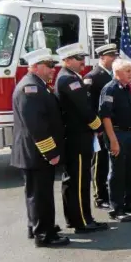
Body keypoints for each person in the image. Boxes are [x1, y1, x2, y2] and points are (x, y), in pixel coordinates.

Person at [11, 48, 69, 247]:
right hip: (37, 154)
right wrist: (50, 152)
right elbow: (37, 126)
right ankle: (44, 235)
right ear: (36, 67)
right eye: (50, 66)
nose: (54, 69)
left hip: (35, 153)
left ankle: (37, 226)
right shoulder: (31, 88)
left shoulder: (37, 85)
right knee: (40, 195)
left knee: (36, 194)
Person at [54, 43, 108, 234]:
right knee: (79, 181)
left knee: (73, 180)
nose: (82, 62)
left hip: (76, 136)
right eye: (78, 59)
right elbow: (84, 110)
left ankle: (74, 219)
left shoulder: (70, 77)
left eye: (83, 58)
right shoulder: (69, 80)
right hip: (77, 137)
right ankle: (82, 221)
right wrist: (98, 126)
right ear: (67, 60)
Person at [99, 59, 131, 222]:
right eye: (127, 71)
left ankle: (128, 202)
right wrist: (113, 140)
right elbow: (105, 116)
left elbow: (127, 112)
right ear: (117, 73)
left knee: (129, 169)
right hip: (116, 134)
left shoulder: (125, 89)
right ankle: (116, 209)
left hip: (127, 133)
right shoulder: (110, 89)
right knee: (117, 172)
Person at [83, 43, 118, 210]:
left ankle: (110, 193)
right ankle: (99, 196)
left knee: (110, 162)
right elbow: (89, 106)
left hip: (112, 125)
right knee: (100, 163)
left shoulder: (113, 75)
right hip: (100, 128)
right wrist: (97, 128)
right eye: (112, 56)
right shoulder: (93, 76)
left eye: (115, 56)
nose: (115, 59)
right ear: (102, 57)